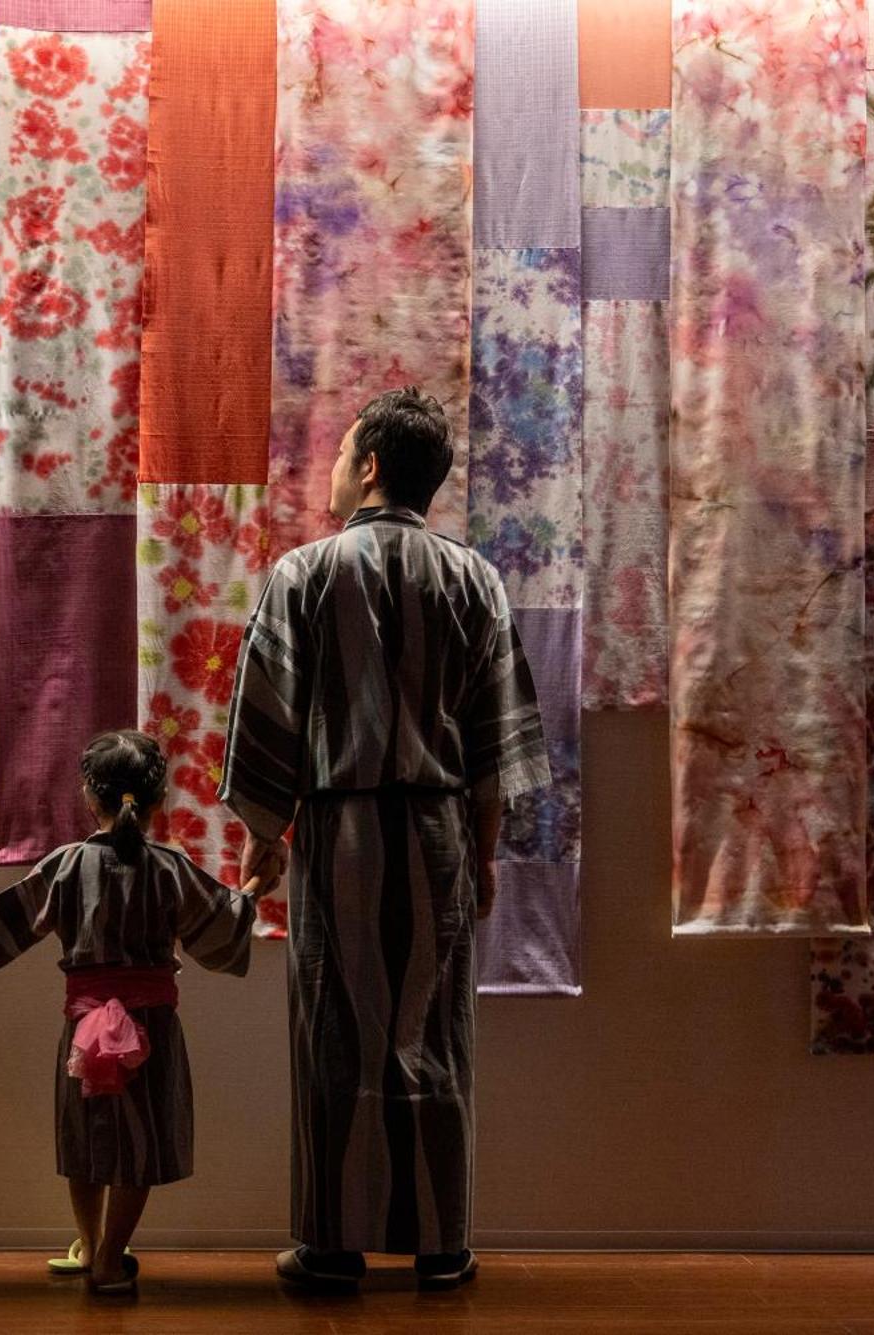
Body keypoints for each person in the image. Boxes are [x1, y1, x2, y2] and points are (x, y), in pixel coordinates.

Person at [220, 388, 550, 1292]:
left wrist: (265, 833)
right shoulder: (473, 578)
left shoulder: (305, 574)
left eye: (339, 452)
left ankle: (333, 1245)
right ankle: (442, 1243)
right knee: (435, 1031)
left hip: (340, 829)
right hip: (439, 826)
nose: (330, 468)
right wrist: (480, 853)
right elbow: (496, 743)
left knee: (337, 1029)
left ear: (369, 466)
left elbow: (267, 721)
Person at [0, 730, 260, 1297]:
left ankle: (91, 1245)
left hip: (83, 1028)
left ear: (88, 795)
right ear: (157, 801)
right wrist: (255, 883)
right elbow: (224, 923)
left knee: (86, 1139)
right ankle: (108, 1256)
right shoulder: (168, 868)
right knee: (140, 1144)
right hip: (150, 1028)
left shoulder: (67, 865)